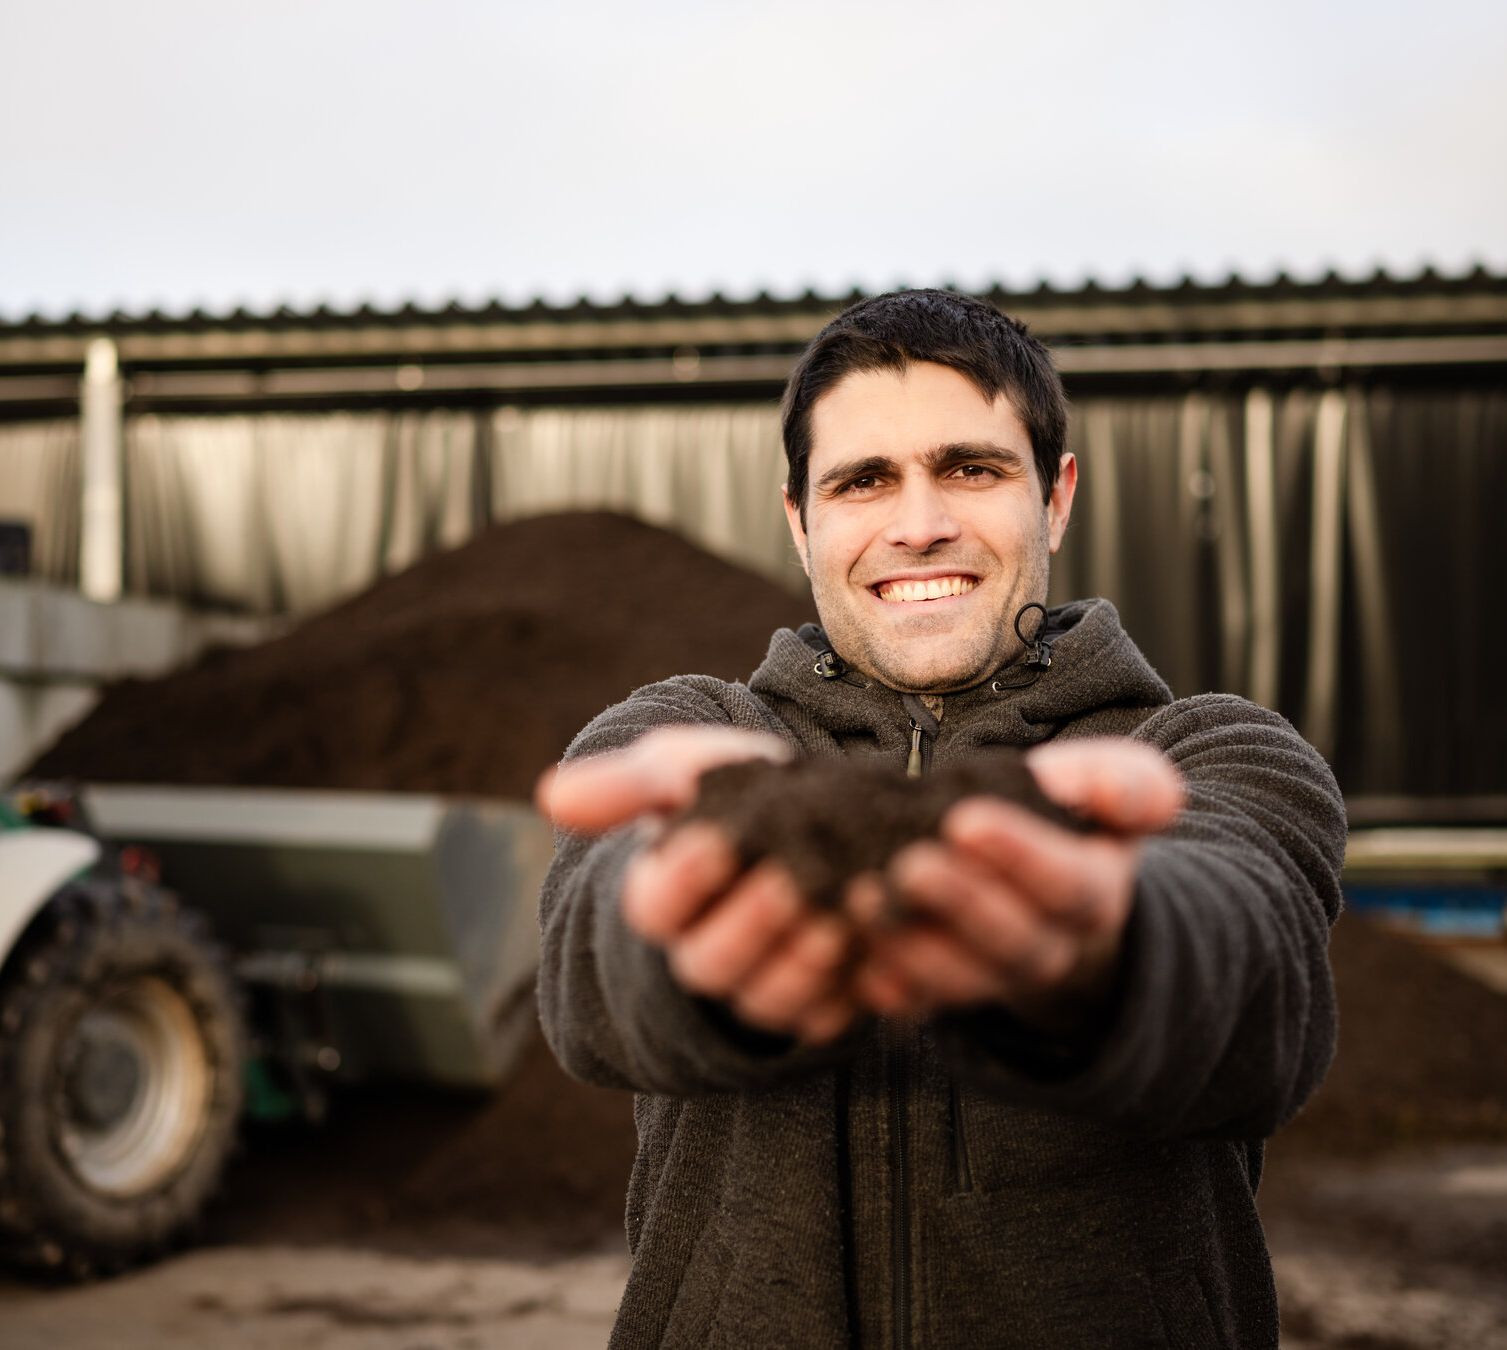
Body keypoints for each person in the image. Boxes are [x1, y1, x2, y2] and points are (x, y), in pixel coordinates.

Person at [534, 289, 1345, 1349]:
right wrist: (685, 940)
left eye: (971, 468)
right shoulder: (680, 734)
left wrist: (1114, 953)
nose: (919, 525)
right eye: (863, 480)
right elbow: (588, 968)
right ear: (800, 518)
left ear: (1053, 498)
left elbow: (1259, 969)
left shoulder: (1206, 756)